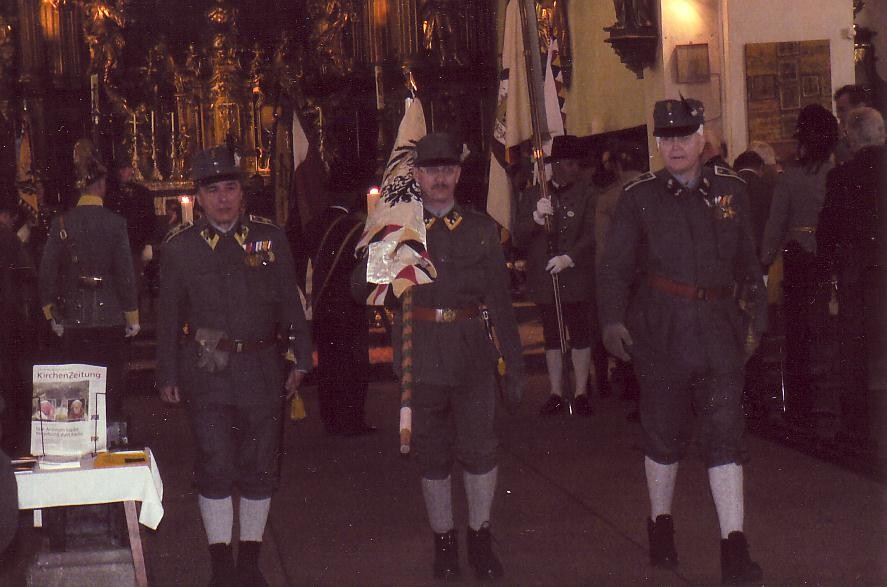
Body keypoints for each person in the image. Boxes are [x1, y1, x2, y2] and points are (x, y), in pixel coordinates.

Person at [598, 98, 764, 585]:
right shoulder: (639, 197)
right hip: (661, 333)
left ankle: (734, 545)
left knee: (726, 435)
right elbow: (615, 269)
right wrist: (611, 322)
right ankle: (661, 523)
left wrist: (757, 316)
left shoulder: (732, 189)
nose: (673, 145)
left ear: (701, 139)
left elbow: (748, 263)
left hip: (719, 331)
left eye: (683, 136)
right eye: (664, 138)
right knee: (663, 434)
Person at [156, 145, 312, 586]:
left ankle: (250, 562)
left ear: (242, 193)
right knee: (215, 462)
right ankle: (221, 564)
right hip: (206, 367)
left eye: (230, 188)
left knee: (261, 465)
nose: (223, 198)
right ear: (199, 197)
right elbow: (168, 315)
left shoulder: (270, 238)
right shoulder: (181, 249)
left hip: (262, 366)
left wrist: (300, 355)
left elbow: (290, 301)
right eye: (213, 190)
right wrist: (167, 372)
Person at [390, 133, 524, 580]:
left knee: (480, 449)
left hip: (472, 354)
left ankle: (481, 537)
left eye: (448, 170)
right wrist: (384, 255)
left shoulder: (481, 229)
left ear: (459, 175)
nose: (440, 178)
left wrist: (516, 367)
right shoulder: (402, 229)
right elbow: (361, 288)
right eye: (431, 170)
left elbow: (501, 303)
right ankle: (444, 541)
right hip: (423, 351)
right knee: (432, 454)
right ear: (417, 176)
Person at [38, 148, 140, 437]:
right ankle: (108, 439)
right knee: (110, 385)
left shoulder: (61, 224)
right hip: (110, 317)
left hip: (73, 318)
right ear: (102, 184)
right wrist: (132, 315)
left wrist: (51, 313)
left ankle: (78, 439)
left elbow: (46, 272)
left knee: (77, 385)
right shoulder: (115, 223)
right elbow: (124, 274)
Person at [760, 104, 838, 421]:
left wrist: (764, 261)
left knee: (798, 332)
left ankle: (799, 404)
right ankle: (829, 400)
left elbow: (775, 225)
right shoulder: (837, 171)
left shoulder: (790, 178)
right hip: (831, 258)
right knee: (828, 329)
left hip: (798, 257)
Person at [815, 106, 885, 439]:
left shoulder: (841, 177)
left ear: (851, 137)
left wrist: (828, 270)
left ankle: (856, 428)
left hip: (859, 276)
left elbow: (827, 231)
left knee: (854, 351)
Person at [514, 134, 596, 416]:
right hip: (545, 277)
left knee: (580, 333)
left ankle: (582, 390)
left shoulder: (587, 194)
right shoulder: (534, 195)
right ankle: (556, 391)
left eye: (577, 164)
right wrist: (535, 219)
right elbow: (518, 237)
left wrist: (570, 257)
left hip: (575, 275)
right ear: (557, 164)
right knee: (551, 334)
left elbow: (591, 232)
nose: (574, 169)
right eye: (569, 163)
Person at [305, 193, 374, 436]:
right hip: (350, 308)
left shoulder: (314, 224)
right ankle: (352, 420)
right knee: (353, 365)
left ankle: (330, 419)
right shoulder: (358, 226)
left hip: (322, 306)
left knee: (328, 365)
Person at [733, 150, 771, 257]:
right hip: (760, 247)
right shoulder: (766, 186)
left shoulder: (728, 185)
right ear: (760, 167)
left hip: (735, 248)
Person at [833, 84, 871, 164]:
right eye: (837, 111)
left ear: (860, 108)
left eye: (842, 110)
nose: (838, 115)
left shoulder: (876, 136)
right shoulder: (846, 136)